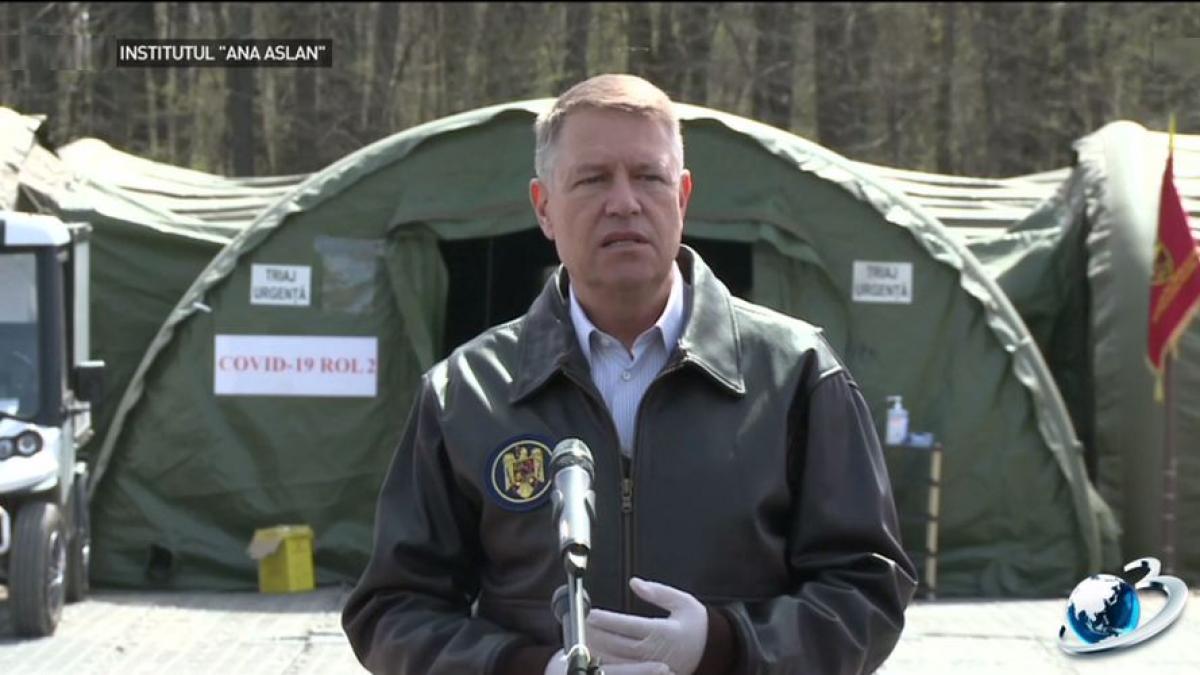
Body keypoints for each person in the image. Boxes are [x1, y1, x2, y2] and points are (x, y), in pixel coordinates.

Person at [343, 73, 917, 675]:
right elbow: (393, 610)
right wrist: (530, 669)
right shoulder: (467, 392)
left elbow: (866, 590)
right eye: (592, 179)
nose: (624, 202)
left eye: (649, 176)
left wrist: (722, 645)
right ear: (544, 207)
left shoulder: (796, 374)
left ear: (682, 197)